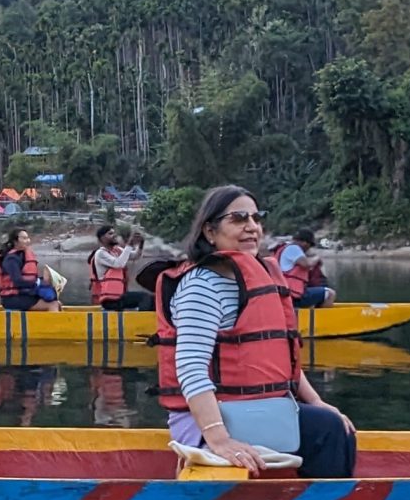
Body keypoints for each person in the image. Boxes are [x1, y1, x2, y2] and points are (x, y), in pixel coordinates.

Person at [152, 185, 356, 478]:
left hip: (259, 412)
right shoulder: (201, 285)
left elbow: (284, 362)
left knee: (334, 425)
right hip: (209, 422)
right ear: (210, 231)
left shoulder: (258, 277)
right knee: (328, 431)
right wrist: (219, 438)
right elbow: (190, 369)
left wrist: (318, 403)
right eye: (238, 219)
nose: (252, 227)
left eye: (256, 219)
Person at [0, 227, 62, 312]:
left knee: (58, 303)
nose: (28, 241)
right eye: (24, 238)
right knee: (53, 304)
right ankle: (55, 325)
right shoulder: (11, 259)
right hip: (11, 299)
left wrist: (44, 280)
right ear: (15, 241)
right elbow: (17, 281)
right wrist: (38, 282)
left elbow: (29, 279)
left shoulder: (22, 255)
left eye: (28, 238)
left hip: (23, 295)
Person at [88, 225, 154, 310]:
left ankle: (143, 317)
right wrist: (129, 244)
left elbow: (134, 256)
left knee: (152, 298)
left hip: (119, 296)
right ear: (102, 238)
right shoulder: (100, 254)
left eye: (114, 233)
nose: (114, 235)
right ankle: (140, 320)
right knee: (144, 298)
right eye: (110, 233)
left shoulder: (117, 250)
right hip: (109, 300)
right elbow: (119, 264)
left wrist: (141, 244)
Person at [272, 229, 334, 308]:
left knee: (314, 298)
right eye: (310, 245)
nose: (309, 248)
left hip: (284, 293)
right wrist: (318, 257)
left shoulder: (285, 248)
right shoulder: (294, 248)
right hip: (293, 295)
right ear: (305, 243)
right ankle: (322, 320)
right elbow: (307, 264)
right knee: (330, 293)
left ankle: (310, 316)